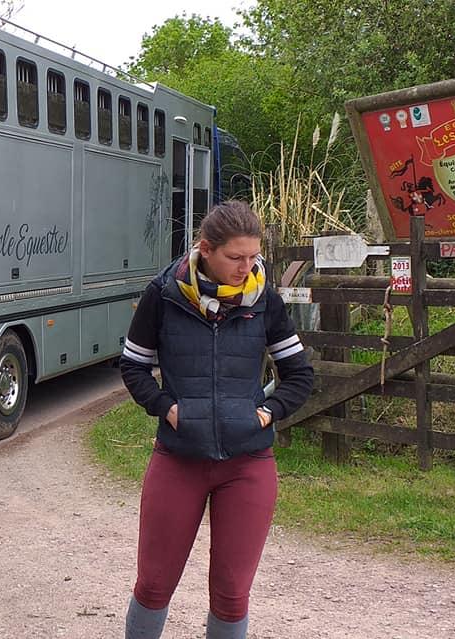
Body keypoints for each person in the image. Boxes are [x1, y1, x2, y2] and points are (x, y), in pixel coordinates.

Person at [120, 201, 314, 639]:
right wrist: (168, 408)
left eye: (253, 256)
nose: (247, 267)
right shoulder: (164, 295)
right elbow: (133, 366)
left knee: (231, 592)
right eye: (236, 257)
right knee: (154, 584)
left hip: (247, 465)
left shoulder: (264, 300)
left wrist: (267, 413)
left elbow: (300, 375)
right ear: (206, 249)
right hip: (178, 459)